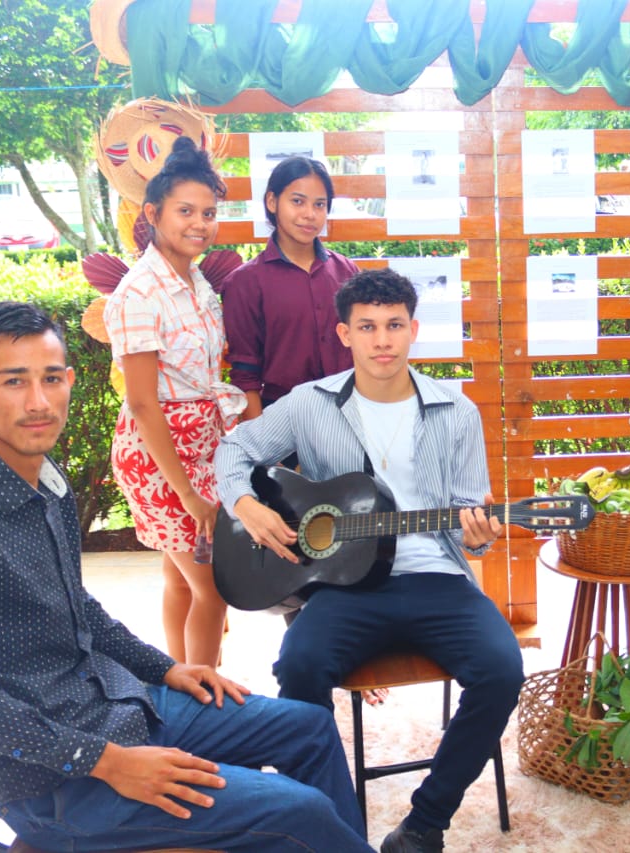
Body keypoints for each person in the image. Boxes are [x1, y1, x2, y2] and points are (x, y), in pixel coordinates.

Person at [0, 301, 369, 852]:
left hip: (111, 708)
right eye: (13, 382)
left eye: (51, 378)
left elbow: (78, 608)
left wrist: (166, 669)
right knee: (298, 811)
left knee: (308, 728)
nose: (39, 402)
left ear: (71, 380)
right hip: (52, 783)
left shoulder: (44, 478)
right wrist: (107, 762)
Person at [215, 268, 524, 853]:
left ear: (413, 330)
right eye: (367, 327)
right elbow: (235, 448)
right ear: (344, 334)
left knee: (503, 671)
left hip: (436, 576)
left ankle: (425, 824)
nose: (382, 340)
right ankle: (325, 819)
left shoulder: (456, 410)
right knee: (299, 665)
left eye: (394, 325)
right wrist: (245, 503)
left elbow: (469, 524)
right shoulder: (309, 403)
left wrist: (481, 536)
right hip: (345, 583)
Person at [105, 137, 245, 667]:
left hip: (202, 444)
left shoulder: (195, 279)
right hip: (158, 455)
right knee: (215, 586)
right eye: (185, 211)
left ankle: (181, 687)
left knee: (182, 578)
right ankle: (205, 697)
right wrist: (188, 495)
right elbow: (143, 404)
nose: (200, 224)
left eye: (209, 213)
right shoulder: (139, 293)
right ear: (153, 214)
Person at [223, 155, 359, 423]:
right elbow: (245, 376)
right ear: (272, 202)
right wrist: (261, 441)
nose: (310, 214)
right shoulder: (245, 283)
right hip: (282, 422)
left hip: (347, 417)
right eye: (297, 201)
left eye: (319, 204)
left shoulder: (347, 273)